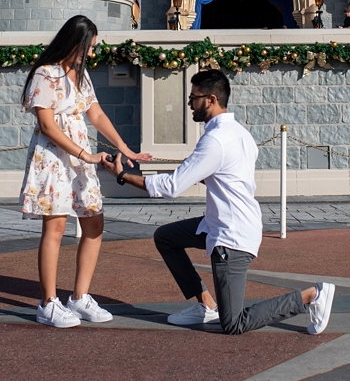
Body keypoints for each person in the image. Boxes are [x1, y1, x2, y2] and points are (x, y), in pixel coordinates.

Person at [105, 69, 336, 336]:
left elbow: (171, 187)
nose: (190, 104)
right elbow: (227, 177)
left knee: (234, 324)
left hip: (231, 235)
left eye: (194, 98)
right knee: (166, 237)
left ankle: (311, 296)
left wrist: (122, 175)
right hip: (219, 223)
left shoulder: (215, 140)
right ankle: (205, 305)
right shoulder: (240, 133)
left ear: (211, 99)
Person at [20, 15, 152, 328]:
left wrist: (125, 147)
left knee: (94, 223)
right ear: (72, 42)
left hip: (81, 156)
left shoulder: (81, 74)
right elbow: (47, 126)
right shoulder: (45, 74)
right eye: (87, 48)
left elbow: (96, 113)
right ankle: (48, 303)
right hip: (54, 157)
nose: (90, 54)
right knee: (54, 228)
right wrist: (86, 155)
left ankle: (79, 297)